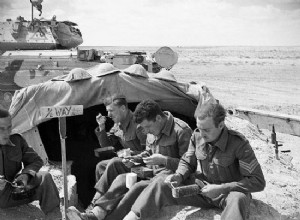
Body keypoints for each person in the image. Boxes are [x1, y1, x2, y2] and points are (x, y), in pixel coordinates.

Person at [124, 102, 266, 220]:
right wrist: (178, 175)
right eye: (199, 128)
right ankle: (134, 216)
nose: (202, 134)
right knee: (161, 181)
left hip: (228, 193)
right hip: (203, 189)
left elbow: (257, 181)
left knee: (238, 198)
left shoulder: (239, 144)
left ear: (221, 125)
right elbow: (187, 161)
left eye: (207, 130)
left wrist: (222, 188)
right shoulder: (197, 136)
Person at [67, 99, 193, 220]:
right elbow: (148, 152)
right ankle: (96, 213)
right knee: (121, 179)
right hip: (149, 173)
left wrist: (164, 160)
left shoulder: (181, 131)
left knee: (136, 188)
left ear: (158, 118)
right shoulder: (151, 127)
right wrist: (135, 158)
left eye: (148, 127)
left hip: (165, 181)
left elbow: (188, 166)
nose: (146, 131)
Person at [0, 108, 61, 220]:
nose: (6, 133)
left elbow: (36, 160)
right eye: (1, 129)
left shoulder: (17, 140)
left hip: (13, 193)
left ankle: (54, 217)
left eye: (9, 128)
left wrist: (25, 175)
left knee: (45, 177)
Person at [92, 95, 147, 205]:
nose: (108, 115)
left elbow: (150, 151)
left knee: (115, 162)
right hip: (128, 162)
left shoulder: (138, 124)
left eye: (111, 110)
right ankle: (105, 201)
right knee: (101, 166)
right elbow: (106, 144)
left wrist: (130, 154)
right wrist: (102, 127)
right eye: (107, 111)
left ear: (123, 108)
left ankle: (96, 201)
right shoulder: (118, 124)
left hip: (143, 164)